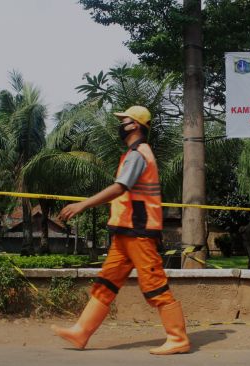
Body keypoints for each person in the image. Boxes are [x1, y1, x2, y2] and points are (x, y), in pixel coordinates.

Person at [51, 106, 190, 355]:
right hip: (125, 233)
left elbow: (119, 188)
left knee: (154, 286)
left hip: (139, 232)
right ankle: (81, 332)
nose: (121, 124)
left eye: (124, 120)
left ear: (135, 125)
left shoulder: (138, 154)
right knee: (105, 283)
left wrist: (82, 204)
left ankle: (178, 338)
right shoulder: (132, 154)